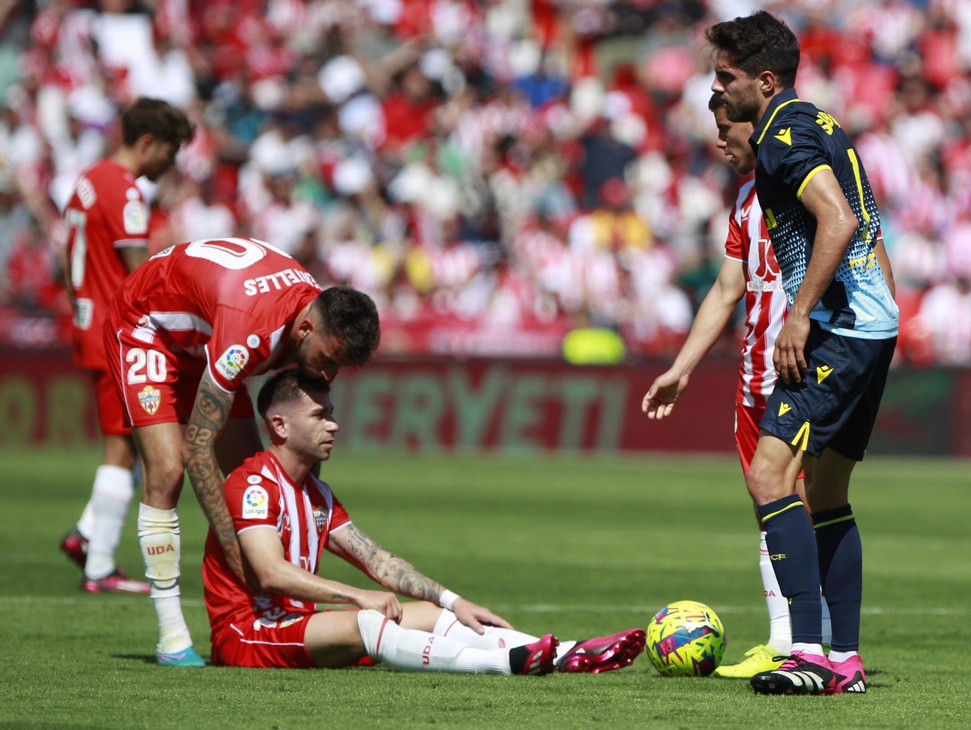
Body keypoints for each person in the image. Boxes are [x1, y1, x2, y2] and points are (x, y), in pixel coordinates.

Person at [202, 368, 644, 674]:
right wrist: (360, 597)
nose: (333, 425)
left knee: (431, 615)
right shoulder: (253, 483)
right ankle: (502, 665)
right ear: (278, 425)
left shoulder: (317, 492)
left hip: (297, 626)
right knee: (370, 621)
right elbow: (270, 572)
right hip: (247, 635)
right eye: (320, 415)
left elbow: (378, 560)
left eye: (332, 413)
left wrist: (453, 600)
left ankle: (567, 653)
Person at [704, 11, 899, 697]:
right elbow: (869, 220)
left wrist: (798, 316)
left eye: (725, 78)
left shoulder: (782, 140)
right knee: (827, 493)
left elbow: (841, 222)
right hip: (871, 325)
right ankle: (843, 660)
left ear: (764, 79)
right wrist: (886, 322)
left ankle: (808, 652)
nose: (717, 90)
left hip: (836, 328)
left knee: (769, 478)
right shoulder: (818, 122)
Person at [106, 238, 380, 666]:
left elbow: (292, 471)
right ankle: (171, 634)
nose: (328, 375)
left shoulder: (316, 320)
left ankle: (274, 616)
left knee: (258, 479)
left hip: (208, 334)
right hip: (149, 327)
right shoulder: (249, 332)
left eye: (338, 367)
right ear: (306, 330)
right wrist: (239, 556)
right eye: (327, 360)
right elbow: (198, 448)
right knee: (168, 471)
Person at [641, 93, 831, 679]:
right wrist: (683, 366)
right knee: (767, 504)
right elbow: (728, 289)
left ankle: (814, 643)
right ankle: (784, 639)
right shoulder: (747, 198)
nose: (719, 140)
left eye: (728, 129)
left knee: (796, 501)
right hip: (753, 375)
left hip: (800, 371)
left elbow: (857, 241)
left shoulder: (804, 188)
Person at [58, 98, 193, 593]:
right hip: (114, 330)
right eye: (171, 152)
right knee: (123, 447)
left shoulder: (89, 179)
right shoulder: (126, 191)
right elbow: (140, 269)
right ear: (147, 144)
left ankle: (87, 535)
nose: (171, 164)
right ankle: (99, 567)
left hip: (88, 320)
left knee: (130, 444)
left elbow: (70, 257)